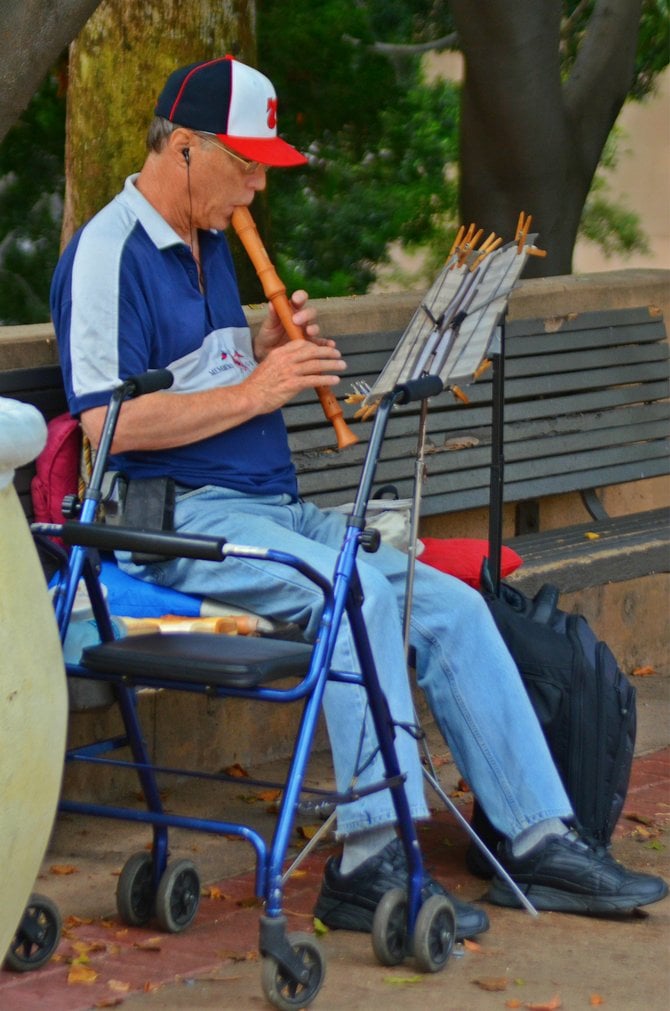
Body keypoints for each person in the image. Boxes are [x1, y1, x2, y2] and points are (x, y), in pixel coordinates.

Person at [51, 56, 667, 940]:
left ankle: (539, 836)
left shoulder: (210, 241)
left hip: (268, 511)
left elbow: (196, 379)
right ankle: (371, 861)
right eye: (246, 162)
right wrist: (262, 389)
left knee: (449, 606)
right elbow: (109, 424)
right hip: (178, 525)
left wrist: (259, 349)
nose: (259, 184)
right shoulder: (109, 251)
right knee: (359, 591)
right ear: (184, 148)